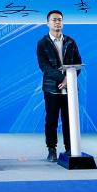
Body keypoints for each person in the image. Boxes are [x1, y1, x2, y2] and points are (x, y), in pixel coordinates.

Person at [36, 9, 83, 162]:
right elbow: (45, 67)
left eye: (60, 20)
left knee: (70, 119)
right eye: (54, 20)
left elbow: (78, 64)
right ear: (47, 23)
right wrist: (63, 78)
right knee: (52, 120)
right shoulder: (42, 43)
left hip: (70, 89)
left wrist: (69, 80)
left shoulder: (70, 41)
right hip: (52, 88)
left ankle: (70, 148)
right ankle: (51, 149)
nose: (57, 22)